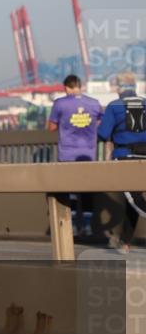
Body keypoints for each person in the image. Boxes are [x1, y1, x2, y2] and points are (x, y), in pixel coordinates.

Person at [48, 75, 103, 237]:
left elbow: (51, 127)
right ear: (80, 86)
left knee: (70, 191)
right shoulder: (94, 103)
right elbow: (101, 122)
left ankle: (71, 227)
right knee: (87, 191)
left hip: (67, 154)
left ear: (66, 87)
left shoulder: (60, 103)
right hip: (89, 153)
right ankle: (87, 227)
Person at [98, 71, 146, 253]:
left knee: (134, 199)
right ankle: (125, 242)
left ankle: (124, 242)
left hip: (126, 157)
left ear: (119, 88)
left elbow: (102, 134)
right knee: (133, 200)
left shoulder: (114, 106)